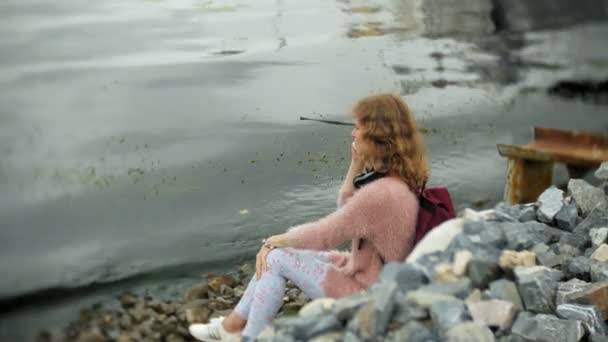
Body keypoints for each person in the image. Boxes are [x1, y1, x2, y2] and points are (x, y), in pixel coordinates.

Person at [189, 93, 429, 341]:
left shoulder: (382, 193)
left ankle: (245, 335)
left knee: (277, 255)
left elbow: (326, 234)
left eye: (358, 127)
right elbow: (348, 209)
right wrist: (355, 165)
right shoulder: (397, 179)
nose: (352, 133)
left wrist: (273, 240)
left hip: (366, 294)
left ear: (376, 134)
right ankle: (233, 327)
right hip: (367, 272)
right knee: (276, 256)